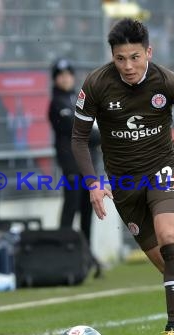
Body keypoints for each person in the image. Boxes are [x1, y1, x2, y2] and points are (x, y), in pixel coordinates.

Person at [71, 18, 174, 335]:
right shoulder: (96, 84)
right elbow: (79, 138)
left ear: (148, 53)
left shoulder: (165, 81)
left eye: (135, 57)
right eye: (120, 58)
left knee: (169, 238)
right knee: (169, 261)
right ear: (112, 56)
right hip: (124, 185)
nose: (128, 66)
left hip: (164, 170)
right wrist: (94, 183)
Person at [48, 58, 103, 278]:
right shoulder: (57, 103)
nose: (65, 78)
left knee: (88, 210)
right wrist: (104, 136)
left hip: (88, 165)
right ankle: (62, 255)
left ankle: (87, 255)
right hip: (71, 165)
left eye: (68, 74)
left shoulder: (76, 100)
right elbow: (79, 131)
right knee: (71, 207)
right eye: (60, 75)